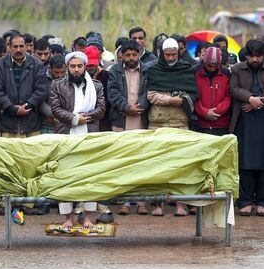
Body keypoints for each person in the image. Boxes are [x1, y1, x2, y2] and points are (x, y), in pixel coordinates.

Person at [50, 51, 105, 227]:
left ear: (84, 67)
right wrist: (75, 119)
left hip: (89, 135)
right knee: (65, 177)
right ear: (67, 67)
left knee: (90, 177)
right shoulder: (57, 85)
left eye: (79, 66)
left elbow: (102, 108)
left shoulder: (96, 86)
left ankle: (88, 217)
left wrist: (85, 118)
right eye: (72, 66)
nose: (76, 70)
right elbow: (55, 109)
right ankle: (67, 218)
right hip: (66, 134)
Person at [146, 38, 198, 216]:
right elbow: (151, 95)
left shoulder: (186, 70)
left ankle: (180, 204)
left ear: (179, 53)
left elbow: (193, 94)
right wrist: (171, 100)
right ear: (161, 53)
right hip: (157, 122)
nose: (170, 58)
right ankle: (159, 204)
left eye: (173, 54)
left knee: (180, 164)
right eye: (167, 54)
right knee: (157, 164)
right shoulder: (154, 70)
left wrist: (182, 99)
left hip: (180, 122)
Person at [107, 39, 149, 216]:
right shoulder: (114, 71)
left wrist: (139, 105)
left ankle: (141, 201)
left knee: (141, 162)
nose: (131, 58)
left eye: (134, 54)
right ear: (121, 56)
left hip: (141, 119)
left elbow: (149, 91)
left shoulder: (147, 70)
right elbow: (112, 93)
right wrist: (126, 107)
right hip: (121, 120)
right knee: (123, 162)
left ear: (139, 54)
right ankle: (124, 201)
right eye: (127, 55)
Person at [230, 39, 264, 216]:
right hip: (244, 120)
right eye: (252, 56)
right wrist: (251, 98)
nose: (255, 59)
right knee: (244, 161)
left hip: (261, 117)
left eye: (258, 56)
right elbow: (234, 89)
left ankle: (261, 201)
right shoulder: (237, 69)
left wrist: (257, 103)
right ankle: (244, 201)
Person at [0, 33, 47, 138]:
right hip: (8, 123)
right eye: (15, 46)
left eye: (21, 46)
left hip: (31, 123)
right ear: (9, 47)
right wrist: (12, 108)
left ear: (26, 47)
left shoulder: (37, 64)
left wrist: (27, 106)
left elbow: (41, 90)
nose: (18, 50)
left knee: (32, 154)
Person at [194, 47, 231, 136]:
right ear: (204, 62)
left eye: (215, 66)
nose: (212, 69)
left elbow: (228, 96)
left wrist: (217, 111)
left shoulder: (225, 72)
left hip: (221, 123)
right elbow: (193, 96)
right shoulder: (195, 72)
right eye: (209, 65)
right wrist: (204, 112)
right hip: (200, 124)